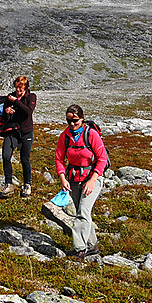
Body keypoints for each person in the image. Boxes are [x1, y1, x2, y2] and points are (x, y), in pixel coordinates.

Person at [55, 104, 105, 259]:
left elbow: (102, 159)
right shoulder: (65, 136)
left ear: (82, 119)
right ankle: (92, 246)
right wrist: (63, 179)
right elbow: (59, 158)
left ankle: (79, 249)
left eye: (75, 121)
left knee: (82, 213)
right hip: (74, 178)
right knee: (82, 212)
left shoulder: (91, 135)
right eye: (69, 121)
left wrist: (93, 180)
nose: (72, 124)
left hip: (92, 178)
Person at [0, 75, 37, 198]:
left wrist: (16, 102)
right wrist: (6, 112)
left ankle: (27, 184)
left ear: (25, 87)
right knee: (5, 155)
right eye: (17, 87)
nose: (18, 90)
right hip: (12, 131)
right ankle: (8, 183)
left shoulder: (31, 97)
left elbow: (28, 111)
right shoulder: (10, 97)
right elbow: (3, 116)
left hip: (26, 132)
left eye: (21, 88)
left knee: (25, 159)